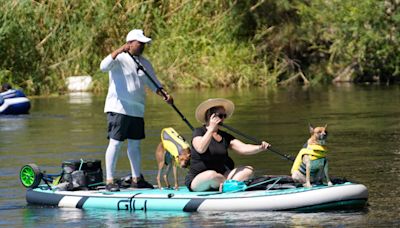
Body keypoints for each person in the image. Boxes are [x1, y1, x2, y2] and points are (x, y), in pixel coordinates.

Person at [100, 29, 173, 191]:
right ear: (130, 43)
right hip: (119, 107)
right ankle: (109, 180)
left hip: (137, 109)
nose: (143, 46)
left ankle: (136, 179)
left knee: (135, 145)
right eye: (140, 43)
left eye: (144, 44)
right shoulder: (120, 58)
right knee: (116, 143)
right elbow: (103, 67)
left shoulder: (145, 63)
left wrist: (164, 95)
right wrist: (119, 50)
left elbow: (153, 82)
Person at [185, 98, 271, 192]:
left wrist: (260, 147)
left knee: (248, 170)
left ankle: (227, 186)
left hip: (222, 176)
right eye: (220, 115)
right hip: (200, 179)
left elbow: (243, 148)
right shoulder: (198, 132)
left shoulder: (225, 136)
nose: (223, 119)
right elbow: (200, 148)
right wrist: (211, 129)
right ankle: (229, 185)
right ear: (210, 116)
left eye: (224, 116)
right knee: (211, 175)